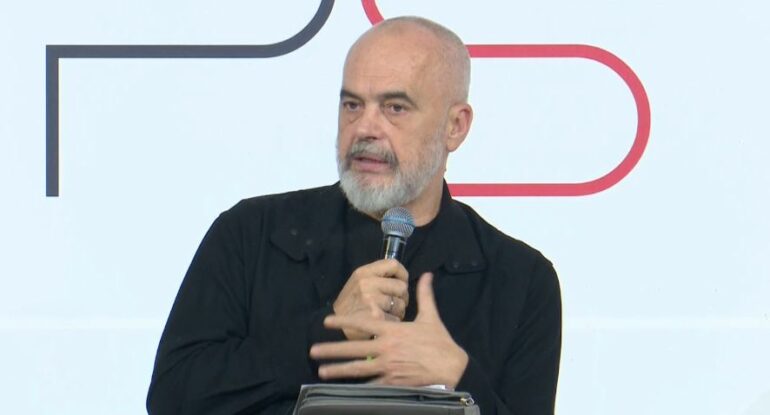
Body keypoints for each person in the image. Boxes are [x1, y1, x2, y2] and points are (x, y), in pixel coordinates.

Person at [147, 16, 561, 415]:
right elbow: (171, 397)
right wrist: (327, 331)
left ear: (455, 126)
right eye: (352, 104)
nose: (364, 128)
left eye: (395, 107)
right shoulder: (250, 233)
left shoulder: (520, 279)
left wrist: (459, 376)